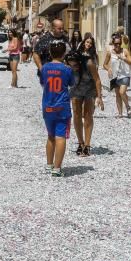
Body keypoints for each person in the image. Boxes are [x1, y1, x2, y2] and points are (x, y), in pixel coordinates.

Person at [40, 41, 73, 177]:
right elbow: (71, 83)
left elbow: (43, 82)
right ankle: (57, 168)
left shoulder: (45, 68)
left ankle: (49, 164)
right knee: (61, 136)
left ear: (50, 52)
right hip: (62, 107)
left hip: (47, 105)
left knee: (50, 136)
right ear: (64, 53)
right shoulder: (67, 69)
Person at [69, 39, 104, 157]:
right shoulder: (69, 63)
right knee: (77, 115)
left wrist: (100, 97)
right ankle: (80, 143)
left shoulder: (89, 63)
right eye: (71, 65)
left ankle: (87, 145)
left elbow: (98, 80)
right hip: (76, 90)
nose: (73, 67)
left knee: (88, 115)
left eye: (75, 65)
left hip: (90, 89)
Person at [103, 34, 131, 118]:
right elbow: (104, 64)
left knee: (122, 92)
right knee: (117, 94)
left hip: (125, 75)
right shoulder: (110, 53)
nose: (118, 45)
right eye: (116, 43)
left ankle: (127, 106)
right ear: (113, 44)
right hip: (115, 76)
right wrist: (108, 69)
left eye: (119, 43)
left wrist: (123, 58)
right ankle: (120, 113)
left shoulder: (125, 51)